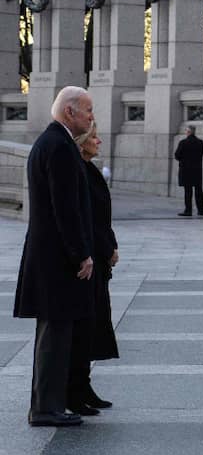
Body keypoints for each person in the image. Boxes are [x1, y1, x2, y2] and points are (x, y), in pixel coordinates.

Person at [14, 86, 94, 427]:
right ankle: (46, 409)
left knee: (54, 334)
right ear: (69, 112)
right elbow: (66, 209)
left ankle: (49, 405)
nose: (91, 117)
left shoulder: (51, 143)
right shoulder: (60, 147)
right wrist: (81, 254)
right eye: (87, 110)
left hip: (48, 257)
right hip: (56, 261)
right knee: (54, 337)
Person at [68, 121, 119, 415]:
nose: (99, 141)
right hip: (90, 259)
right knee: (84, 327)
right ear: (83, 140)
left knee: (94, 323)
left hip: (99, 257)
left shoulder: (89, 169)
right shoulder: (80, 171)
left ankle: (84, 387)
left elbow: (103, 217)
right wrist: (104, 248)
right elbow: (86, 218)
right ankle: (75, 390)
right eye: (94, 137)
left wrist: (111, 245)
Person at [174, 125, 203, 216]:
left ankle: (188, 210)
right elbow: (201, 155)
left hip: (186, 170)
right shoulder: (200, 142)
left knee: (188, 191)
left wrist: (183, 160)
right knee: (198, 190)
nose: (186, 132)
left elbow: (177, 155)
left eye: (186, 131)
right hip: (197, 170)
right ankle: (200, 210)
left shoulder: (183, 142)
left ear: (188, 132)